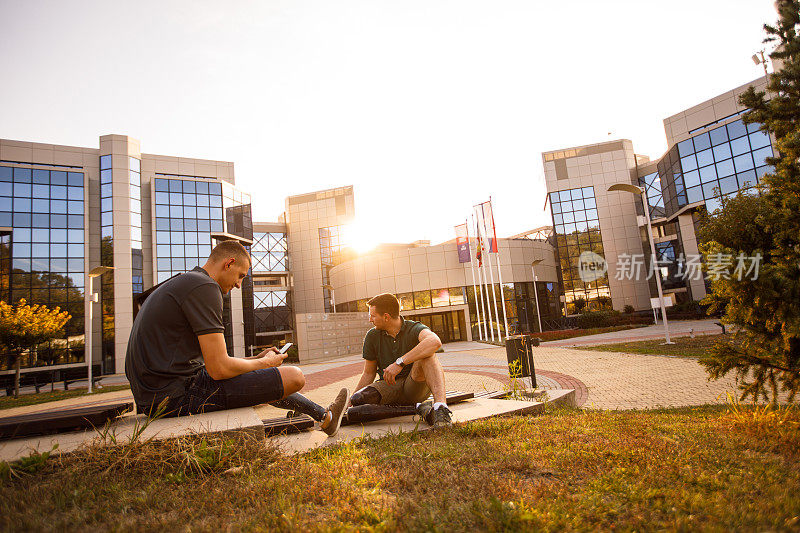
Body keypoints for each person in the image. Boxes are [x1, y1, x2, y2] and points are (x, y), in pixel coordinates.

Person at [125, 239, 348, 436]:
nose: (239, 284)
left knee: (259, 374)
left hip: (156, 396)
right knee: (294, 376)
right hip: (175, 397)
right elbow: (219, 369)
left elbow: (215, 364)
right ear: (228, 263)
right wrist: (264, 363)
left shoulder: (186, 282)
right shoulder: (205, 287)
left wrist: (255, 361)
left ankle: (324, 417)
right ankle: (324, 416)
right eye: (240, 275)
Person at [350, 293, 452, 427]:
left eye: (373, 316)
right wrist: (349, 402)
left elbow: (435, 341)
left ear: (386, 317)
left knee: (427, 354)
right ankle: (419, 408)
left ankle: (440, 407)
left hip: (414, 384)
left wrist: (400, 362)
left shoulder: (414, 328)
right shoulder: (372, 336)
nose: (370, 320)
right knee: (358, 399)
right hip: (389, 385)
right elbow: (368, 373)